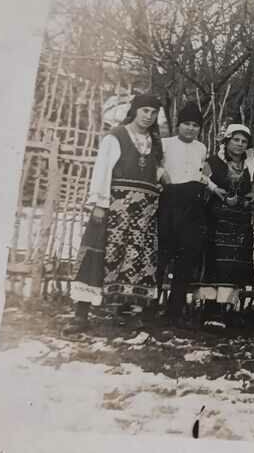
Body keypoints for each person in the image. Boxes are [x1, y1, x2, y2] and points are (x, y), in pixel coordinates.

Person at [71, 93, 165, 329]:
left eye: (153, 113)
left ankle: (127, 313)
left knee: (135, 259)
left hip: (143, 213)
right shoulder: (116, 137)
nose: (148, 117)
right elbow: (102, 171)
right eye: (145, 111)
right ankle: (81, 314)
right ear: (134, 111)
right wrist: (100, 204)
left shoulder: (154, 141)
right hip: (115, 208)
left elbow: (155, 170)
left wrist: (160, 179)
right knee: (99, 254)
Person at [197, 123, 254, 328]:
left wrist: (252, 196)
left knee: (233, 264)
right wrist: (214, 189)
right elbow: (201, 178)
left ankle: (225, 309)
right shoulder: (213, 161)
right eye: (236, 140)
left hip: (239, 222)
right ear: (227, 141)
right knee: (215, 261)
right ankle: (210, 307)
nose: (240, 145)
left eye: (243, 141)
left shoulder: (250, 165)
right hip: (216, 220)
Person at [157, 100, 211, 323]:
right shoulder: (165, 144)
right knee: (163, 254)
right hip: (170, 200)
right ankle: (151, 303)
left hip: (193, 203)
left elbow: (202, 173)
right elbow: (155, 165)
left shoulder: (201, 148)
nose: (190, 128)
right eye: (186, 124)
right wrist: (162, 174)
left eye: (195, 125)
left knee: (186, 256)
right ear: (178, 125)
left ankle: (175, 308)